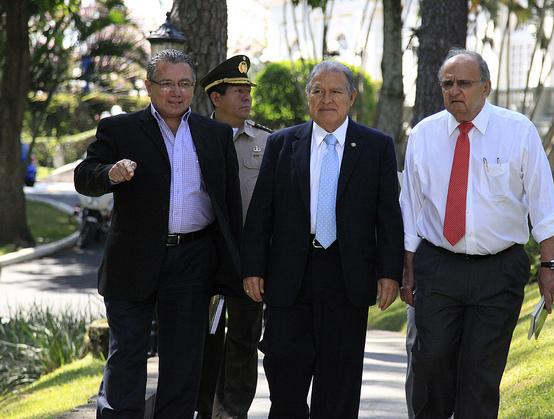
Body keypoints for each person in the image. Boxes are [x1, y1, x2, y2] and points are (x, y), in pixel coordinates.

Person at [74, 49, 243, 419]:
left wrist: (234, 266)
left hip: (192, 261)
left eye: (184, 84)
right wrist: (110, 175)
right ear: (149, 86)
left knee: (184, 362)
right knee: (127, 354)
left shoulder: (215, 135)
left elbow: (229, 206)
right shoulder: (119, 129)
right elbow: (85, 176)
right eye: (167, 83)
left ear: (194, 88)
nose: (176, 92)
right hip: (132, 260)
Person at [400, 48, 554, 418]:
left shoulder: (517, 131)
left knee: (480, 373)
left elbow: (543, 202)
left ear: (486, 87)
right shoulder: (424, 135)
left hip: (498, 270)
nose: (454, 91)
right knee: (430, 364)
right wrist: (407, 269)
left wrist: (550, 264)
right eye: (447, 84)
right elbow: (410, 208)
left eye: (463, 83)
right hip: (438, 267)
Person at [241, 60, 404, 418]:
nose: (326, 99)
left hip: (348, 277)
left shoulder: (376, 146)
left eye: (334, 92)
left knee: (339, 383)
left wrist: (390, 272)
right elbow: (261, 213)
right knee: (284, 374)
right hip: (290, 278)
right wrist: (252, 267)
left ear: (351, 97)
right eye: (317, 91)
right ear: (308, 97)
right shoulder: (283, 144)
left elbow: (388, 215)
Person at [196, 55, 271, 419]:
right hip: (200, 257)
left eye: (247, 90)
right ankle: (201, 407)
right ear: (215, 97)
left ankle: (233, 411)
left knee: (243, 338)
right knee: (202, 339)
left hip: (247, 259)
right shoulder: (191, 138)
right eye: (238, 91)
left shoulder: (266, 141)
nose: (246, 97)